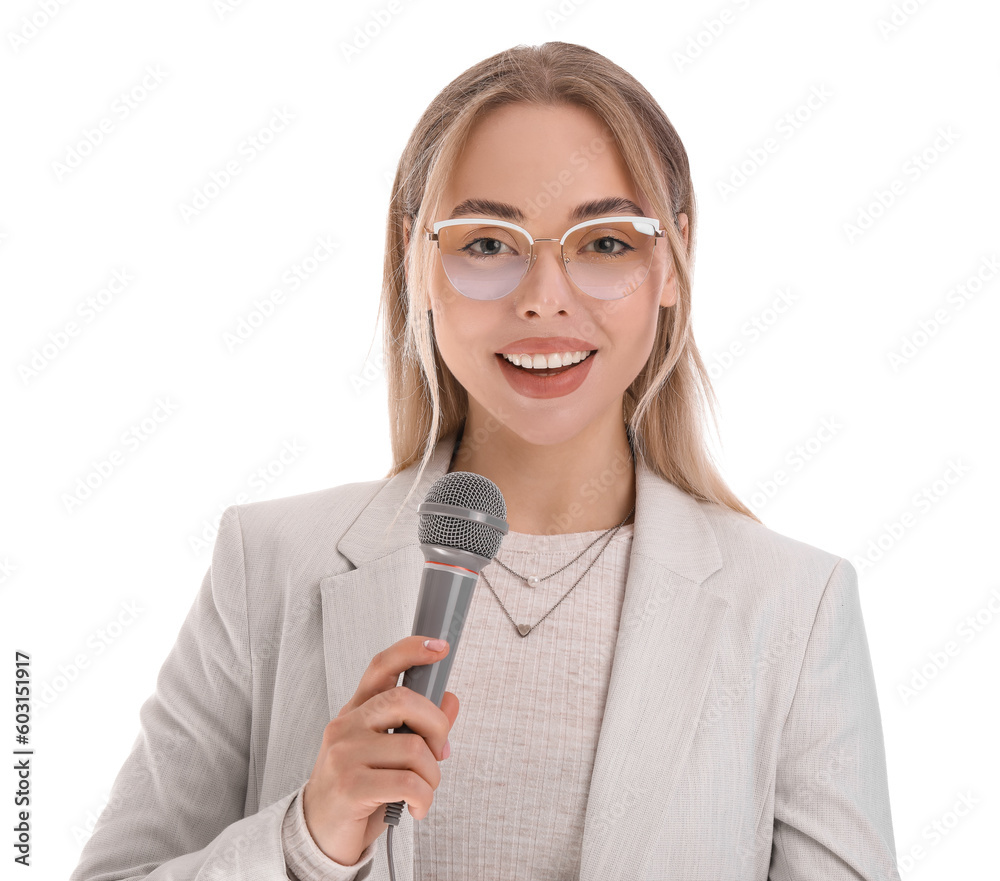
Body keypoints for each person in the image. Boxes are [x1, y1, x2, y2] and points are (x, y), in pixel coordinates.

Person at [70, 41, 901, 881]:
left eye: (606, 243)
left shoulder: (794, 610)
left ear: (671, 262)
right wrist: (307, 839)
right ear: (417, 261)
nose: (543, 294)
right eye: (487, 243)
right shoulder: (269, 564)